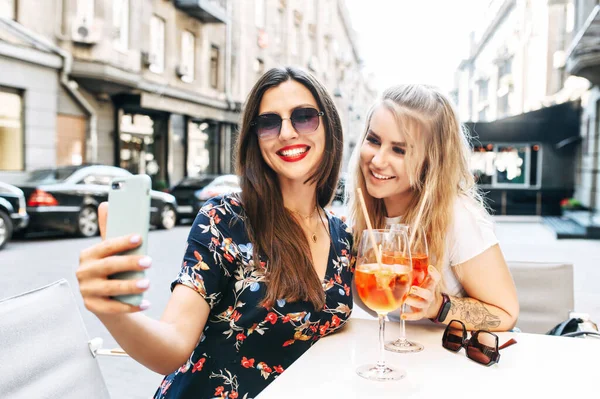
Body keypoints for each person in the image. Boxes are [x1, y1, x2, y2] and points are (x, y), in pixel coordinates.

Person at [76, 67, 354, 399]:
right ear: (255, 139)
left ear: (330, 126)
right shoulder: (225, 218)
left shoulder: (343, 235)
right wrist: (114, 313)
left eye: (304, 117)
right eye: (269, 122)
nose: (287, 133)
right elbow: (172, 346)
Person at [348, 84, 519, 331]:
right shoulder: (364, 213)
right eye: (373, 140)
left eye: (399, 150)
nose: (377, 160)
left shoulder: (457, 216)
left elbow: (506, 313)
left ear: (431, 161)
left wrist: (439, 306)